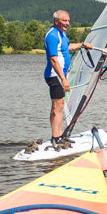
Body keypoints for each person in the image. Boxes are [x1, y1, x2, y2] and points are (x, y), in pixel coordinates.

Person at [42, 9, 85, 150]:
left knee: (60, 105)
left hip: (60, 76)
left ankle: (59, 135)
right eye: (64, 21)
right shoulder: (52, 35)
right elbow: (53, 59)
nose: (67, 23)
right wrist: (63, 79)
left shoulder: (62, 34)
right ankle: (56, 137)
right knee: (57, 106)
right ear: (56, 21)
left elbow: (67, 48)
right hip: (54, 76)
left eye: (68, 21)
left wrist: (82, 45)